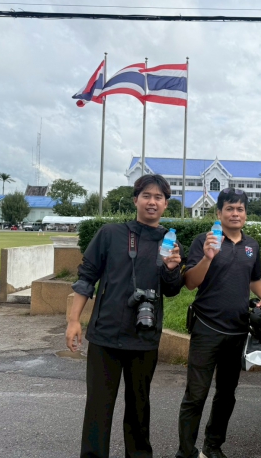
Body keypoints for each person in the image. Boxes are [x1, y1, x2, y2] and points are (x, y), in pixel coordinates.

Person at [66, 174, 184, 458]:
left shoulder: (169, 241)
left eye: (158, 197)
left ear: (166, 204)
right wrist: (73, 320)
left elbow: (171, 291)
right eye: (146, 196)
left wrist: (171, 269)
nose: (152, 202)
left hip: (144, 336)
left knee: (139, 408)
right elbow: (87, 277)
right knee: (98, 407)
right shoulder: (110, 234)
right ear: (135, 200)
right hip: (105, 334)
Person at [176, 188, 261, 458]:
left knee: (227, 393)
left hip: (238, 330)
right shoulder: (204, 240)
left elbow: (253, 278)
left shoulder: (252, 245)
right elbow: (190, 282)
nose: (235, 213)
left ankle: (213, 446)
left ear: (246, 214)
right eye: (229, 208)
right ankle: (186, 452)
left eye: (240, 209)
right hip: (206, 328)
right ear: (219, 213)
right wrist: (208, 256)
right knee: (196, 394)